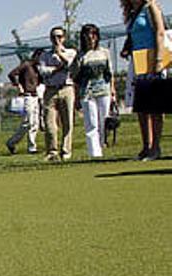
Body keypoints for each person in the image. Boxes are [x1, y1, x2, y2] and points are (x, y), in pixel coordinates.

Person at [123, 0, 166, 161]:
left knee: (154, 107)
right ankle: (146, 147)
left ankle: (156, 147)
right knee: (141, 107)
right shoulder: (132, 13)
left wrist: (159, 60)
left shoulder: (151, 7)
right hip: (138, 62)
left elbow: (160, 31)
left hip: (153, 59)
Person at [72, 24, 115, 159]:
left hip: (104, 91)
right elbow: (76, 78)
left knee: (103, 122)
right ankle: (94, 153)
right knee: (91, 124)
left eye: (93, 34)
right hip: (87, 92)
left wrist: (112, 91)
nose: (90, 38)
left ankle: (102, 145)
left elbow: (110, 73)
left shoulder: (104, 52)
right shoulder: (80, 56)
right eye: (87, 35)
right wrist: (77, 97)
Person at [37, 26, 78, 161]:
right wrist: (58, 68)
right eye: (54, 37)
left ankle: (66, 151)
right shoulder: (44, 55)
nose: (57, 39)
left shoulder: (71, 52)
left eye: (59, 36)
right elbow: (43, 71)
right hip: (50, 90)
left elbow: (70, 66)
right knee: (49, 124)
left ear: (64, 38)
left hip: (67, 88)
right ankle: (52, 152)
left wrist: (60, 54)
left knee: (68, 122)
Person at [6, 49, 43, 155]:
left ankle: (11, 142)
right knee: (30, 122)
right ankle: (32, 147)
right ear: (36, 56)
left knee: (31, 123)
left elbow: (40, 81)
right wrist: (18, 86)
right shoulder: (26, 65)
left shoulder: (37, 69)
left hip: (36, 97)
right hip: (27, 97)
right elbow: (12, 74)